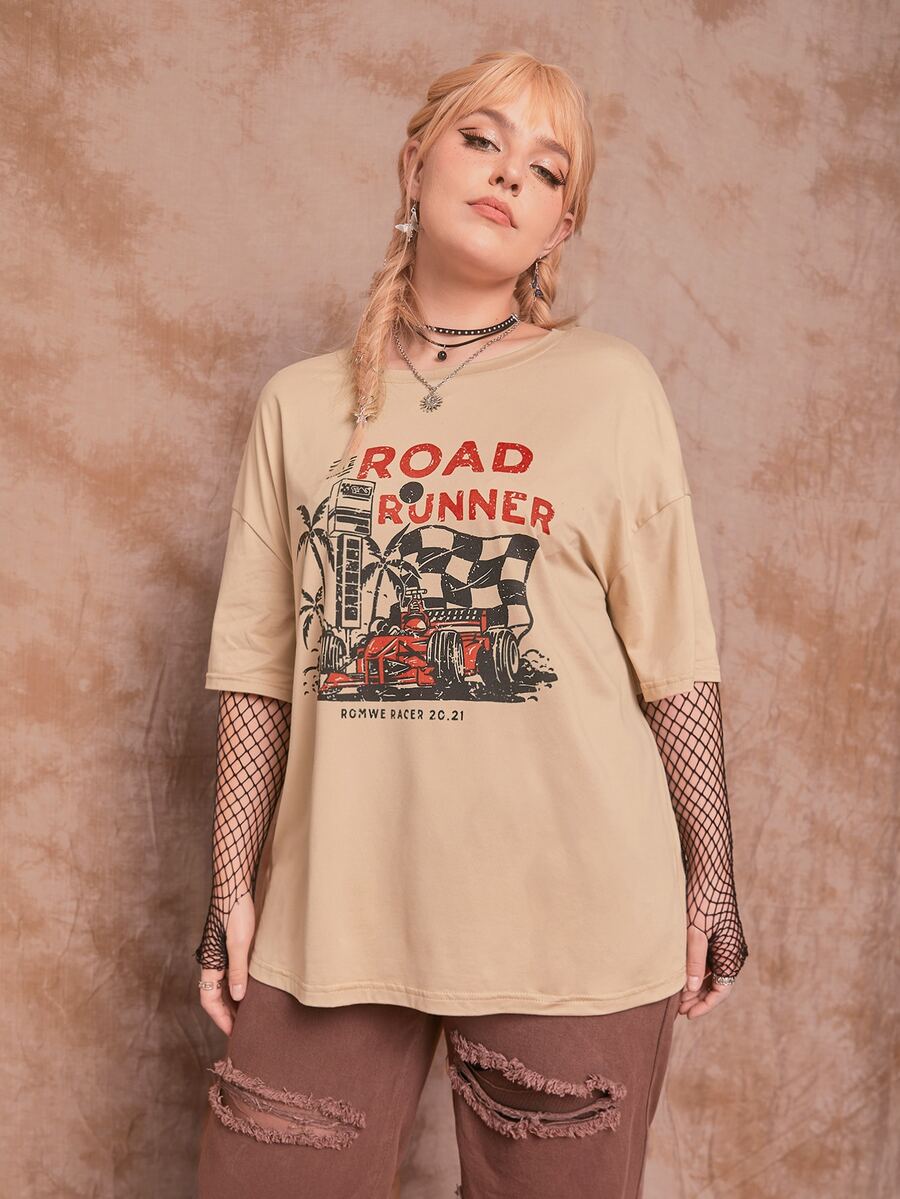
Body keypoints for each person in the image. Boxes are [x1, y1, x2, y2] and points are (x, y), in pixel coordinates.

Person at [194, 48, 749, 1199]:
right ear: (415, 164)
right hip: (336, 910)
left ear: (559, 228)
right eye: (483, 141)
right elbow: (257, 664)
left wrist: (714, 875)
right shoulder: (300, 403)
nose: (508, 176)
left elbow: (674, 656)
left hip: (575, 914)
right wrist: (228, 886)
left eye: (547, 171)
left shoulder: (609, 386)